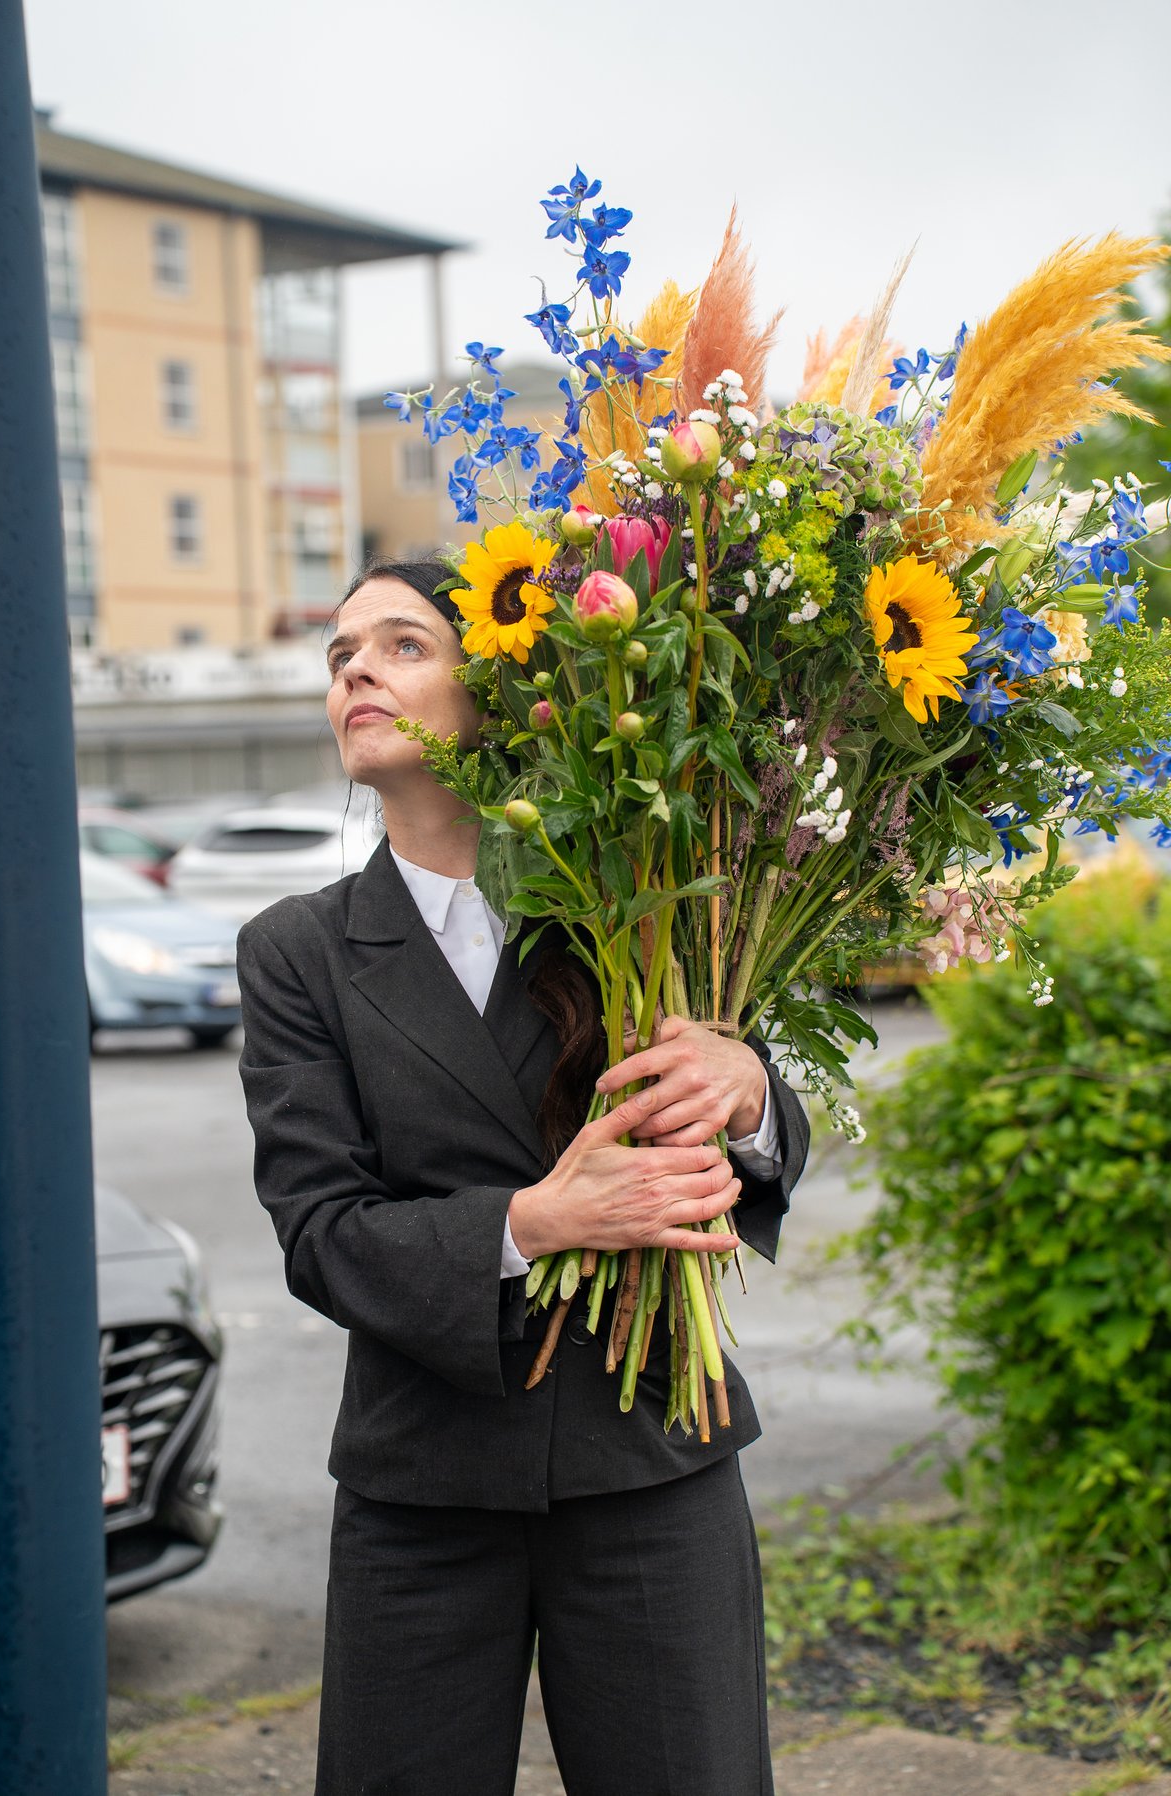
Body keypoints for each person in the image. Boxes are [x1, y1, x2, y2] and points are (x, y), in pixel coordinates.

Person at [236, 557, 810, 1796]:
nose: (358, 675)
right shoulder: (299, 952)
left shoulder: (638, 895)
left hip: (653, 1449)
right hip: (420, 1487)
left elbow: (757, 1134)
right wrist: (535, 1221)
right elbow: (321, 1231)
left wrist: (747, 1083)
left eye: (401, 645)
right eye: (340, 658)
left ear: (494, 687)